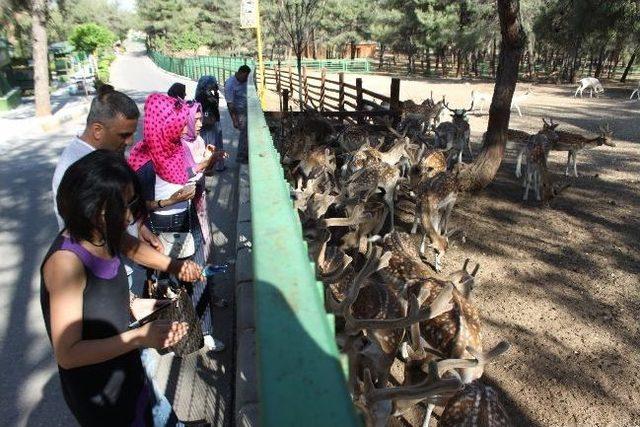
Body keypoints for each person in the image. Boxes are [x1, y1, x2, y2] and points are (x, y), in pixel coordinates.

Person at [41, 150, 190, 426]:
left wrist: (134, 305)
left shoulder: (103, 235)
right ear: (96, 208)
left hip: (125, 373)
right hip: (101, 395)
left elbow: (103, 292)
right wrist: (140, 337)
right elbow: (69, 353)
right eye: (125, 205)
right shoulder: (66, 264)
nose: (132, 215)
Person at [128, 93, 225, 352]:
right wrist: (172, 200)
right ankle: (172, 335)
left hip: (187, 220)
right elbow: (137, 206)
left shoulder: (176, 148)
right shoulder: (146, 160)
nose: (186, 127)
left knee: (197, 276)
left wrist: (208, 162)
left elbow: (189, 172)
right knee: (168, 285)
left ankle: (204, 332)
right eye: (181, 122)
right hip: (161, 230)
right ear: (166, 123)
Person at [195, 75, 225, 171]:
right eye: (212, 84)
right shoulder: (205, 95)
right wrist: (215, 93)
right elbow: (214, 104)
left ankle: (212, 166)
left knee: (208, 143)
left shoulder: (200, 94)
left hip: (208, 123)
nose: (213, 85)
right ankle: (210, 167)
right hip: (211, 123)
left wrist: (215, 92)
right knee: (213, 144)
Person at [224, 65, 250, 164]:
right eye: (246, 76)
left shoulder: (243, 81)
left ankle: (245, 154)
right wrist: (234, 120)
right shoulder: (230, 84)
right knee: (244, 135)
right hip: (239, 113)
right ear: (241, 73)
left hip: (246, 111)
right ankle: (241, 157)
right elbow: (230, 104)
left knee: (246, 134)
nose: (247, 79)